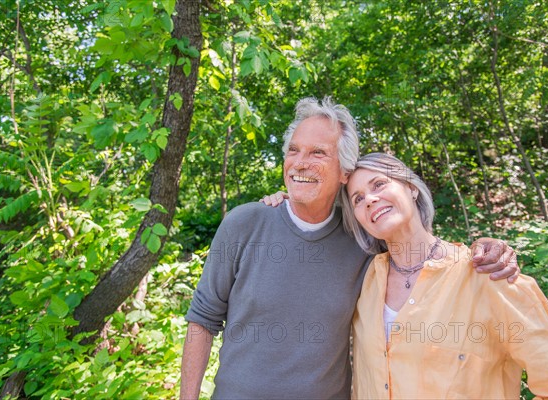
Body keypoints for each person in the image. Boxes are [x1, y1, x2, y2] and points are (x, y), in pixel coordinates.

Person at [180, 98, 518, 399]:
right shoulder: (244, 224)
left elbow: (423, 250)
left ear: (345, 171)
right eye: (293, 150)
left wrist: (488, 248)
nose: (300, 163)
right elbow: (202, 319)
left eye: (317, 153)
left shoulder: (363, 239)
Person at [342, 152, 548, 399]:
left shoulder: (489, 276)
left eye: (379, 184)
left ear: (412, 188)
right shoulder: (364, 279)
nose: (369, 199)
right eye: (357, 199)